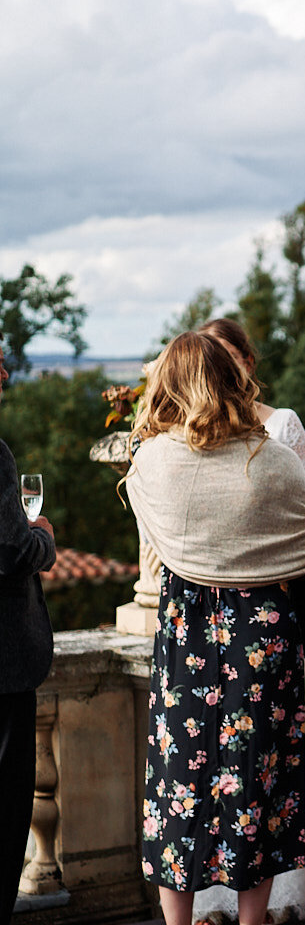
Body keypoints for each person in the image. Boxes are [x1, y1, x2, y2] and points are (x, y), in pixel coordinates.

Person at [127, 332, 305, 925]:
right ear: (233, 380)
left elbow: (157, 543)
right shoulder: (272, 460)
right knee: (260, 785)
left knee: (179, 788)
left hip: (188, 639)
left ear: (169, 385)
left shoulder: (152, 461)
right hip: (265, 637)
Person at [193, 318, 305, 923]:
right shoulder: (194, 437)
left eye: (228, 356)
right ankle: (216, 899)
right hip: (221, 624)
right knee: (216, 765)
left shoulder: (282, 424)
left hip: (285, 613)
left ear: (246, 361)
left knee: (278, 761)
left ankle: (288, 895)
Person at [0, 346, 56, 925]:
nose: (4, 372)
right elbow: (11, 551)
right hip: (5, 667)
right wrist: (42, 536)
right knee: (5, 814)